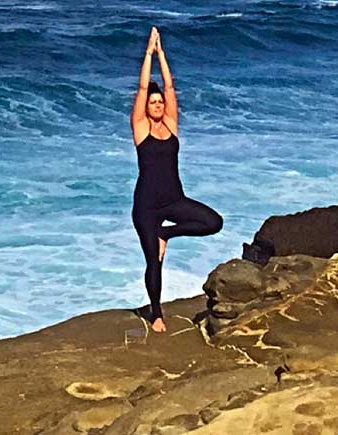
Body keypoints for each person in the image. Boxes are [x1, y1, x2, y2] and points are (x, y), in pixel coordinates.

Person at [131, 27, 223, 333]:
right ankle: (156, 314)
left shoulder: (170, 125)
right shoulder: (141, 129)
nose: (157, 105)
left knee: (213, 222)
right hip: (146, 207)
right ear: (146, 108)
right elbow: (144, 88)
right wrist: (147, 54)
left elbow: (169, 88)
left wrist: (162, 54)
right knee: (153, 263)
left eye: (159, 103)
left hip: (174, 201)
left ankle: (166, 235)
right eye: (153, 103)